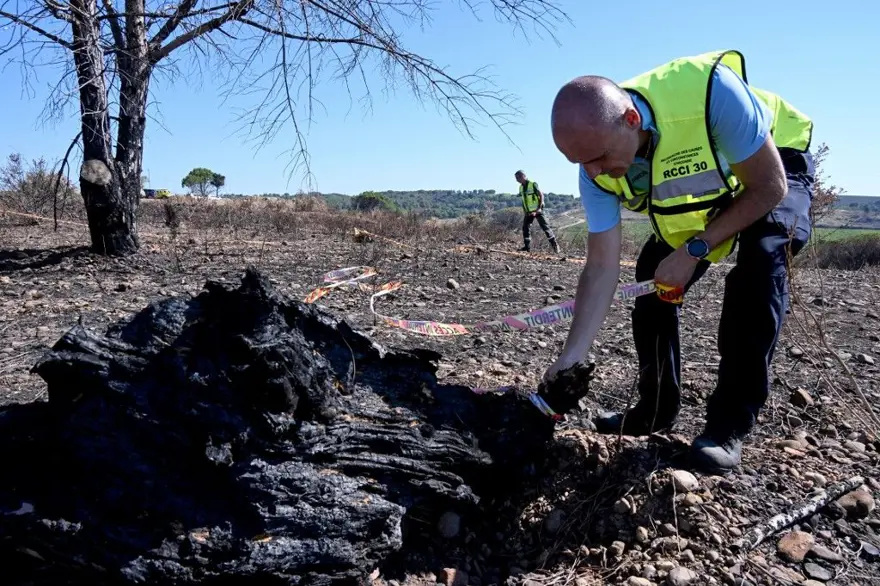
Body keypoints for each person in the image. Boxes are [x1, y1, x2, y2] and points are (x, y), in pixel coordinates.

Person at [542, 50, 815, 474]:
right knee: (653, 281)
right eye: (580, 163)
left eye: (598, 158)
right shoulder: (594, 166)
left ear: (631, 120)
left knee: (761, 266)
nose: (593, 173)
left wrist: (694, 251)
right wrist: (570, 358)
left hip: (773, 161)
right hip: (713, 192)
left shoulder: (711, 92)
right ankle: (654, 410)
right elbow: (600, 268)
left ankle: (728, 425)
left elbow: (768, 186)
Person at [515, 170, 560, 253]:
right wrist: (525, 210)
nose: (517, 179)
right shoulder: (520, 187)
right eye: (516, 178)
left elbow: (541, 194)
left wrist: (539, 208)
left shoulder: (533, 184)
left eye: (518, 177)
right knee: (525, 228)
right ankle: (527, 247)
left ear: (524, 176)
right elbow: (524, 200)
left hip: (537, 211)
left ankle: (555, 246)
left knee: (545, 228)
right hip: (528, 212)